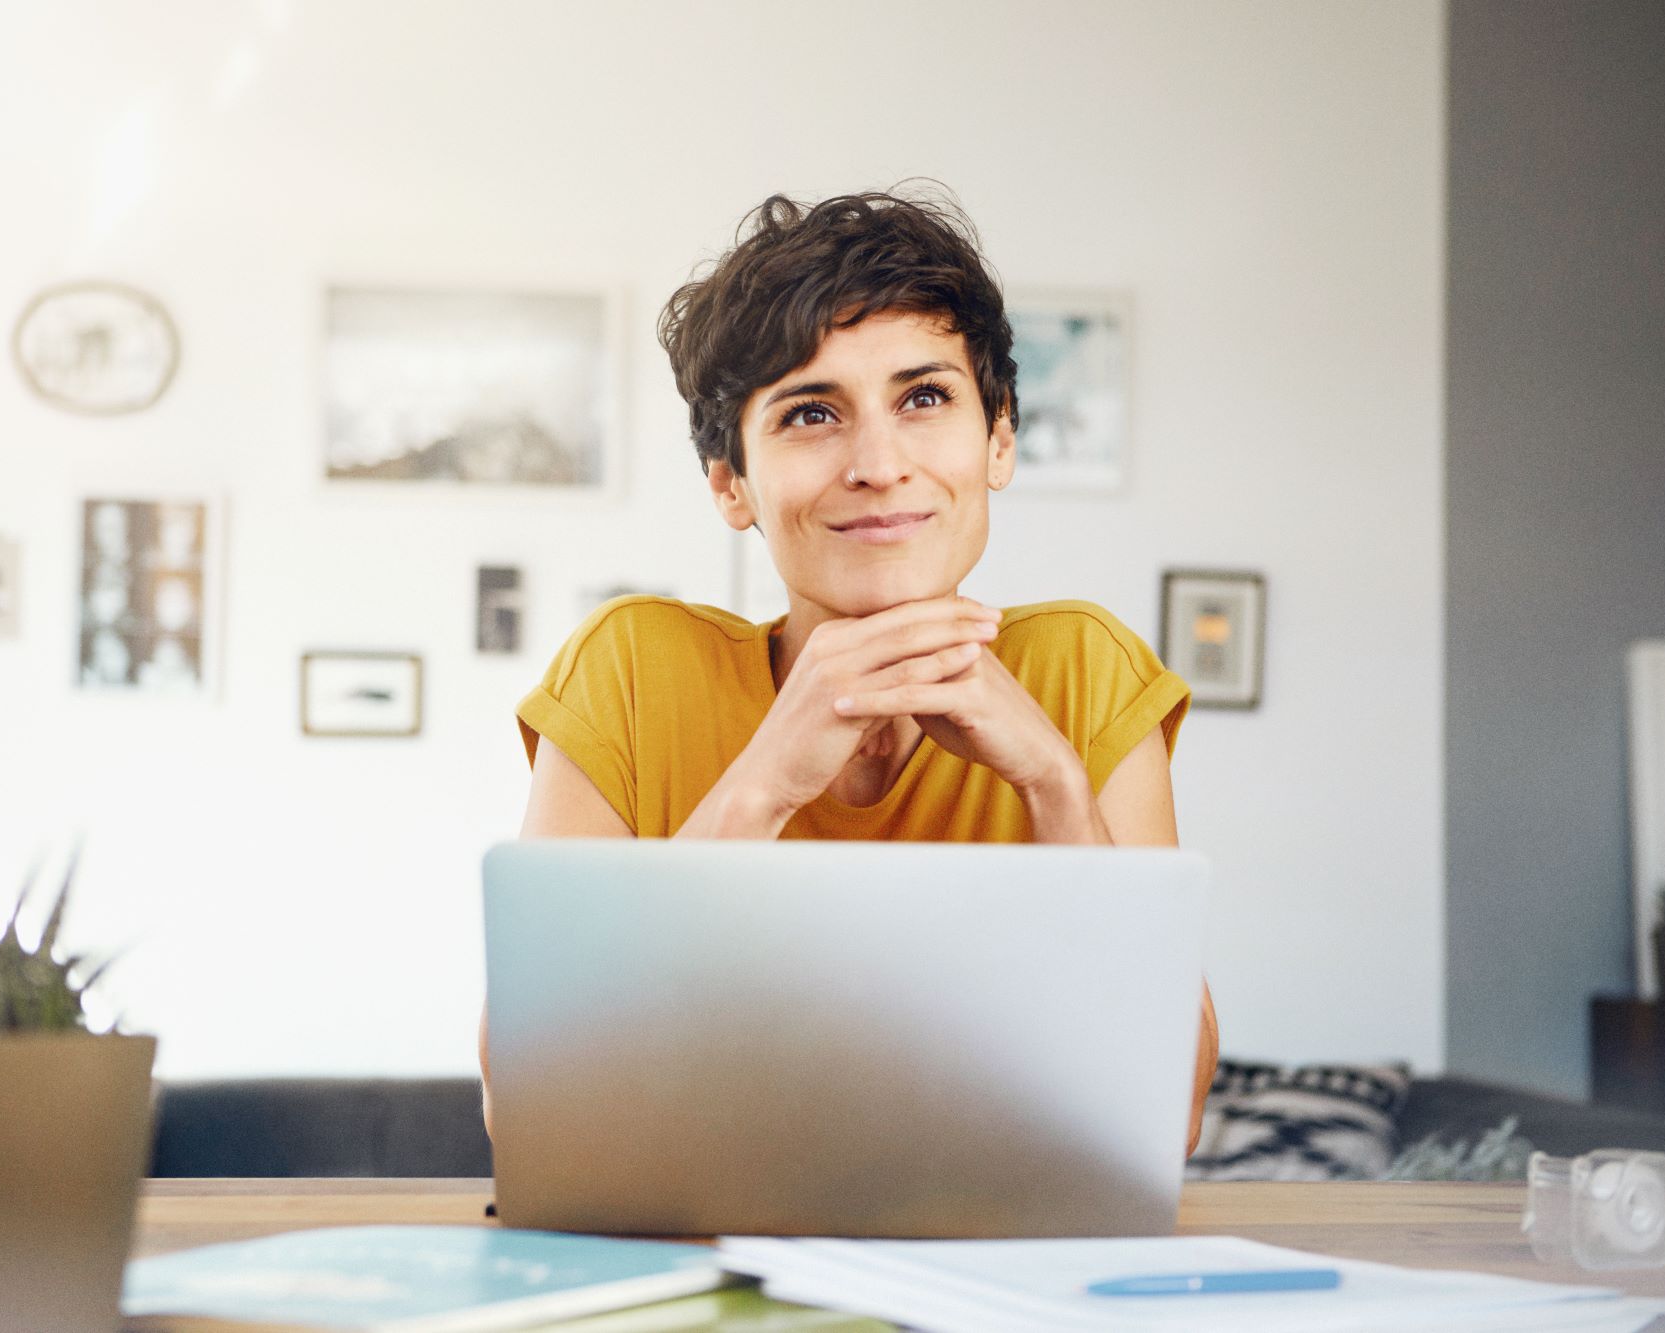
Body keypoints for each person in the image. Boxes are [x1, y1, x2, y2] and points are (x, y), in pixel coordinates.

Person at [483, 187, 1218, 1151]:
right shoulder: (629, 668)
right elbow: (531, 1105)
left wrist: (1054, 786)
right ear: (731, 482)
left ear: (998, 439)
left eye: (924, 398)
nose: (879, 462)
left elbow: (1170, 1114)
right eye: (810, 412)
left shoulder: (1085, 669)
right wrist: (762, 784)